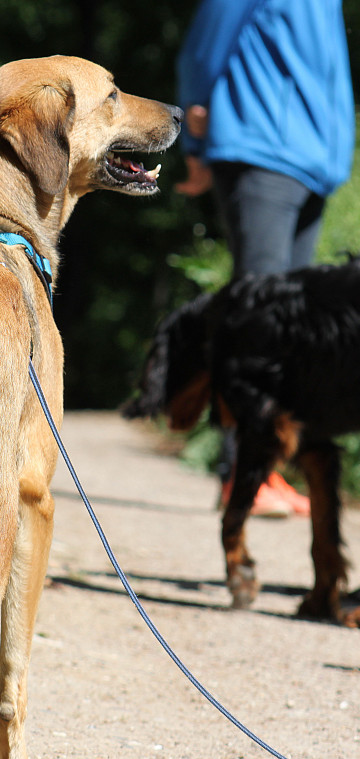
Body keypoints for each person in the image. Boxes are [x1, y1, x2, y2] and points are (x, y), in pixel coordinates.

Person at [175, 0, 355, 517]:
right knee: (257, 323)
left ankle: (270, 468)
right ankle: (242, 475)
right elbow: (205, 46)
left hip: (314, 162)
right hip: (260, 146)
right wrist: (194, 132)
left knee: (294, 331)